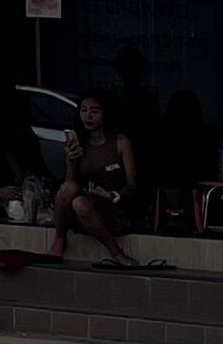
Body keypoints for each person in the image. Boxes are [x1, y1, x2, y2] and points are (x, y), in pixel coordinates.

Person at [45, 95, 150, 269]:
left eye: (94, 111)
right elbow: (70, 185)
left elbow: (132, 185)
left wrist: (112, 195)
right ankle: (59, 238)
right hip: (85, 204)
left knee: (80, 203)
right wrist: (71, 160)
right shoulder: (79, 144)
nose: (88, 116)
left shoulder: (120, 142)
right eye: (84, 111)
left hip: (112, 207)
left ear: (105, 113)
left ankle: (117, 253)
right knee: (71, 193)